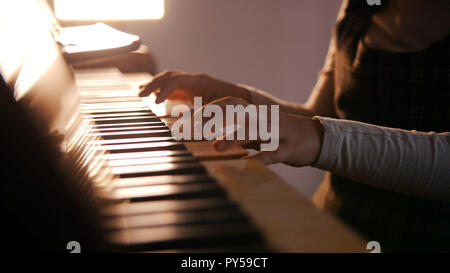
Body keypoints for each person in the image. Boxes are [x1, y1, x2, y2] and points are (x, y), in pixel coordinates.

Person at [139, 0, 450, 252]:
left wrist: (321, 140)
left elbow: (321, 135)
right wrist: (238, 97)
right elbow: (321, 116)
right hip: (330, 223)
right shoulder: (359, 6)